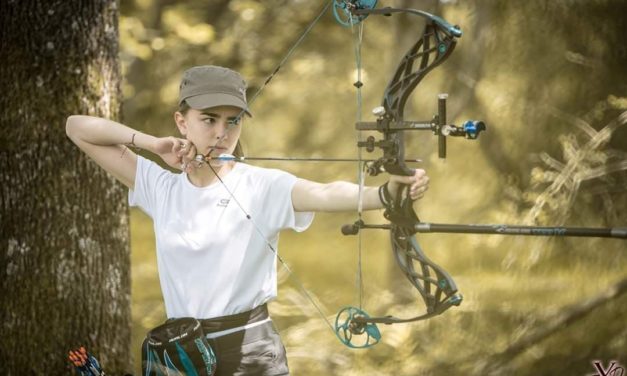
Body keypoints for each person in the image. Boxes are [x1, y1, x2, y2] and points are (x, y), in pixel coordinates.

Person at [66, 65, 429, 375]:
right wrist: (153, 144)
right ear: (182, 122)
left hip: (249, 353)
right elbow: (77, 127)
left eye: (233, 120)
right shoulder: (161, 187)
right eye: (208, 119)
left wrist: (383, 194)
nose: (222, 133)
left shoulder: (259, 185)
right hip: (183, 354)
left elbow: (324, 192)